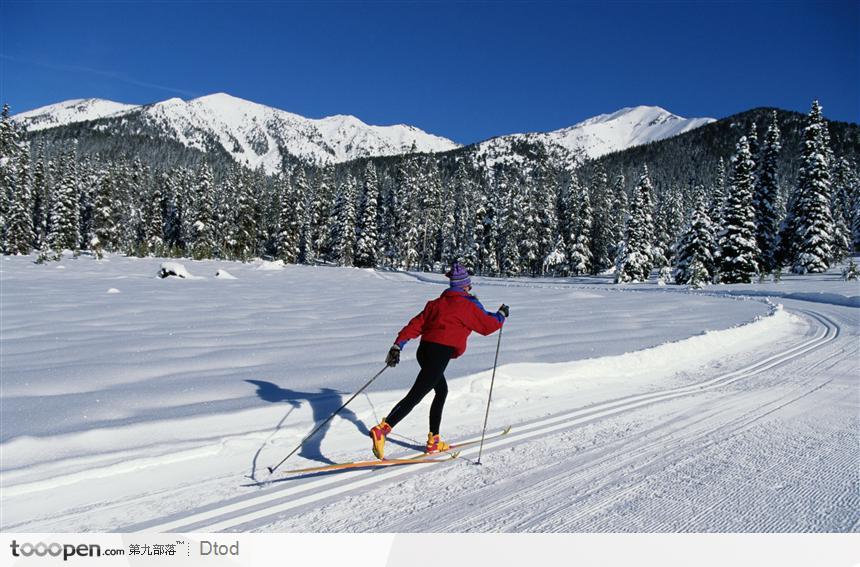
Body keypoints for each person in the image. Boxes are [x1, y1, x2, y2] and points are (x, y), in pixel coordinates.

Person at [370, 263, 509, 459]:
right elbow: (488, 325)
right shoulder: (468, 304)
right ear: (465, 286)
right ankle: (382, 429)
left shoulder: (436, 303)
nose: (470, 288)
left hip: (424, 351)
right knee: (415, 396)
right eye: (469, 285)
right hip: (439, 355)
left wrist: (397, 345)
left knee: (441, 391)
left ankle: (434, 441)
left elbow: (415, 325)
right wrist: (502, 314)